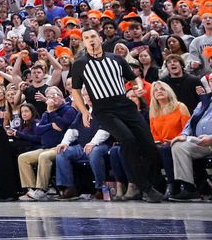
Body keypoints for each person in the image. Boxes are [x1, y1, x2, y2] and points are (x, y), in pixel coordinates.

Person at [68, 28, 165, 202]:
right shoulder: (80, 63)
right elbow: (75, 90)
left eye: (93, 37)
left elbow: (132, 77)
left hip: (125, 105)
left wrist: (138, 86)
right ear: (84, 42)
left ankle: (154, 183)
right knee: (127, 140)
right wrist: (83, 112)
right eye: (87, 38)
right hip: (103, 109)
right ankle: (145, 188)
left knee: (149, 145)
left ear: (100, 38)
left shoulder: (116, 59)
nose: (91, 40)